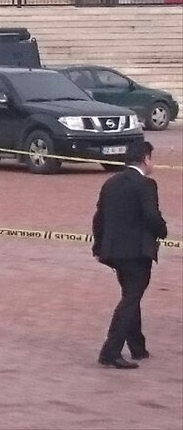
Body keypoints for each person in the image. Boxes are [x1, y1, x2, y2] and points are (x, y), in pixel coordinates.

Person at [92, 140, 167, 369]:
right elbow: (151, 216)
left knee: (130, 297)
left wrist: (99, 246)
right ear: (146, 159)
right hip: (137, 252)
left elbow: (99, 218)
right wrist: (162, 230)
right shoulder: (146, 185)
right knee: (131, 299)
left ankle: (137, 347)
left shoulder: (111, 182)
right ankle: (110, 351)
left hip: (115, 252)